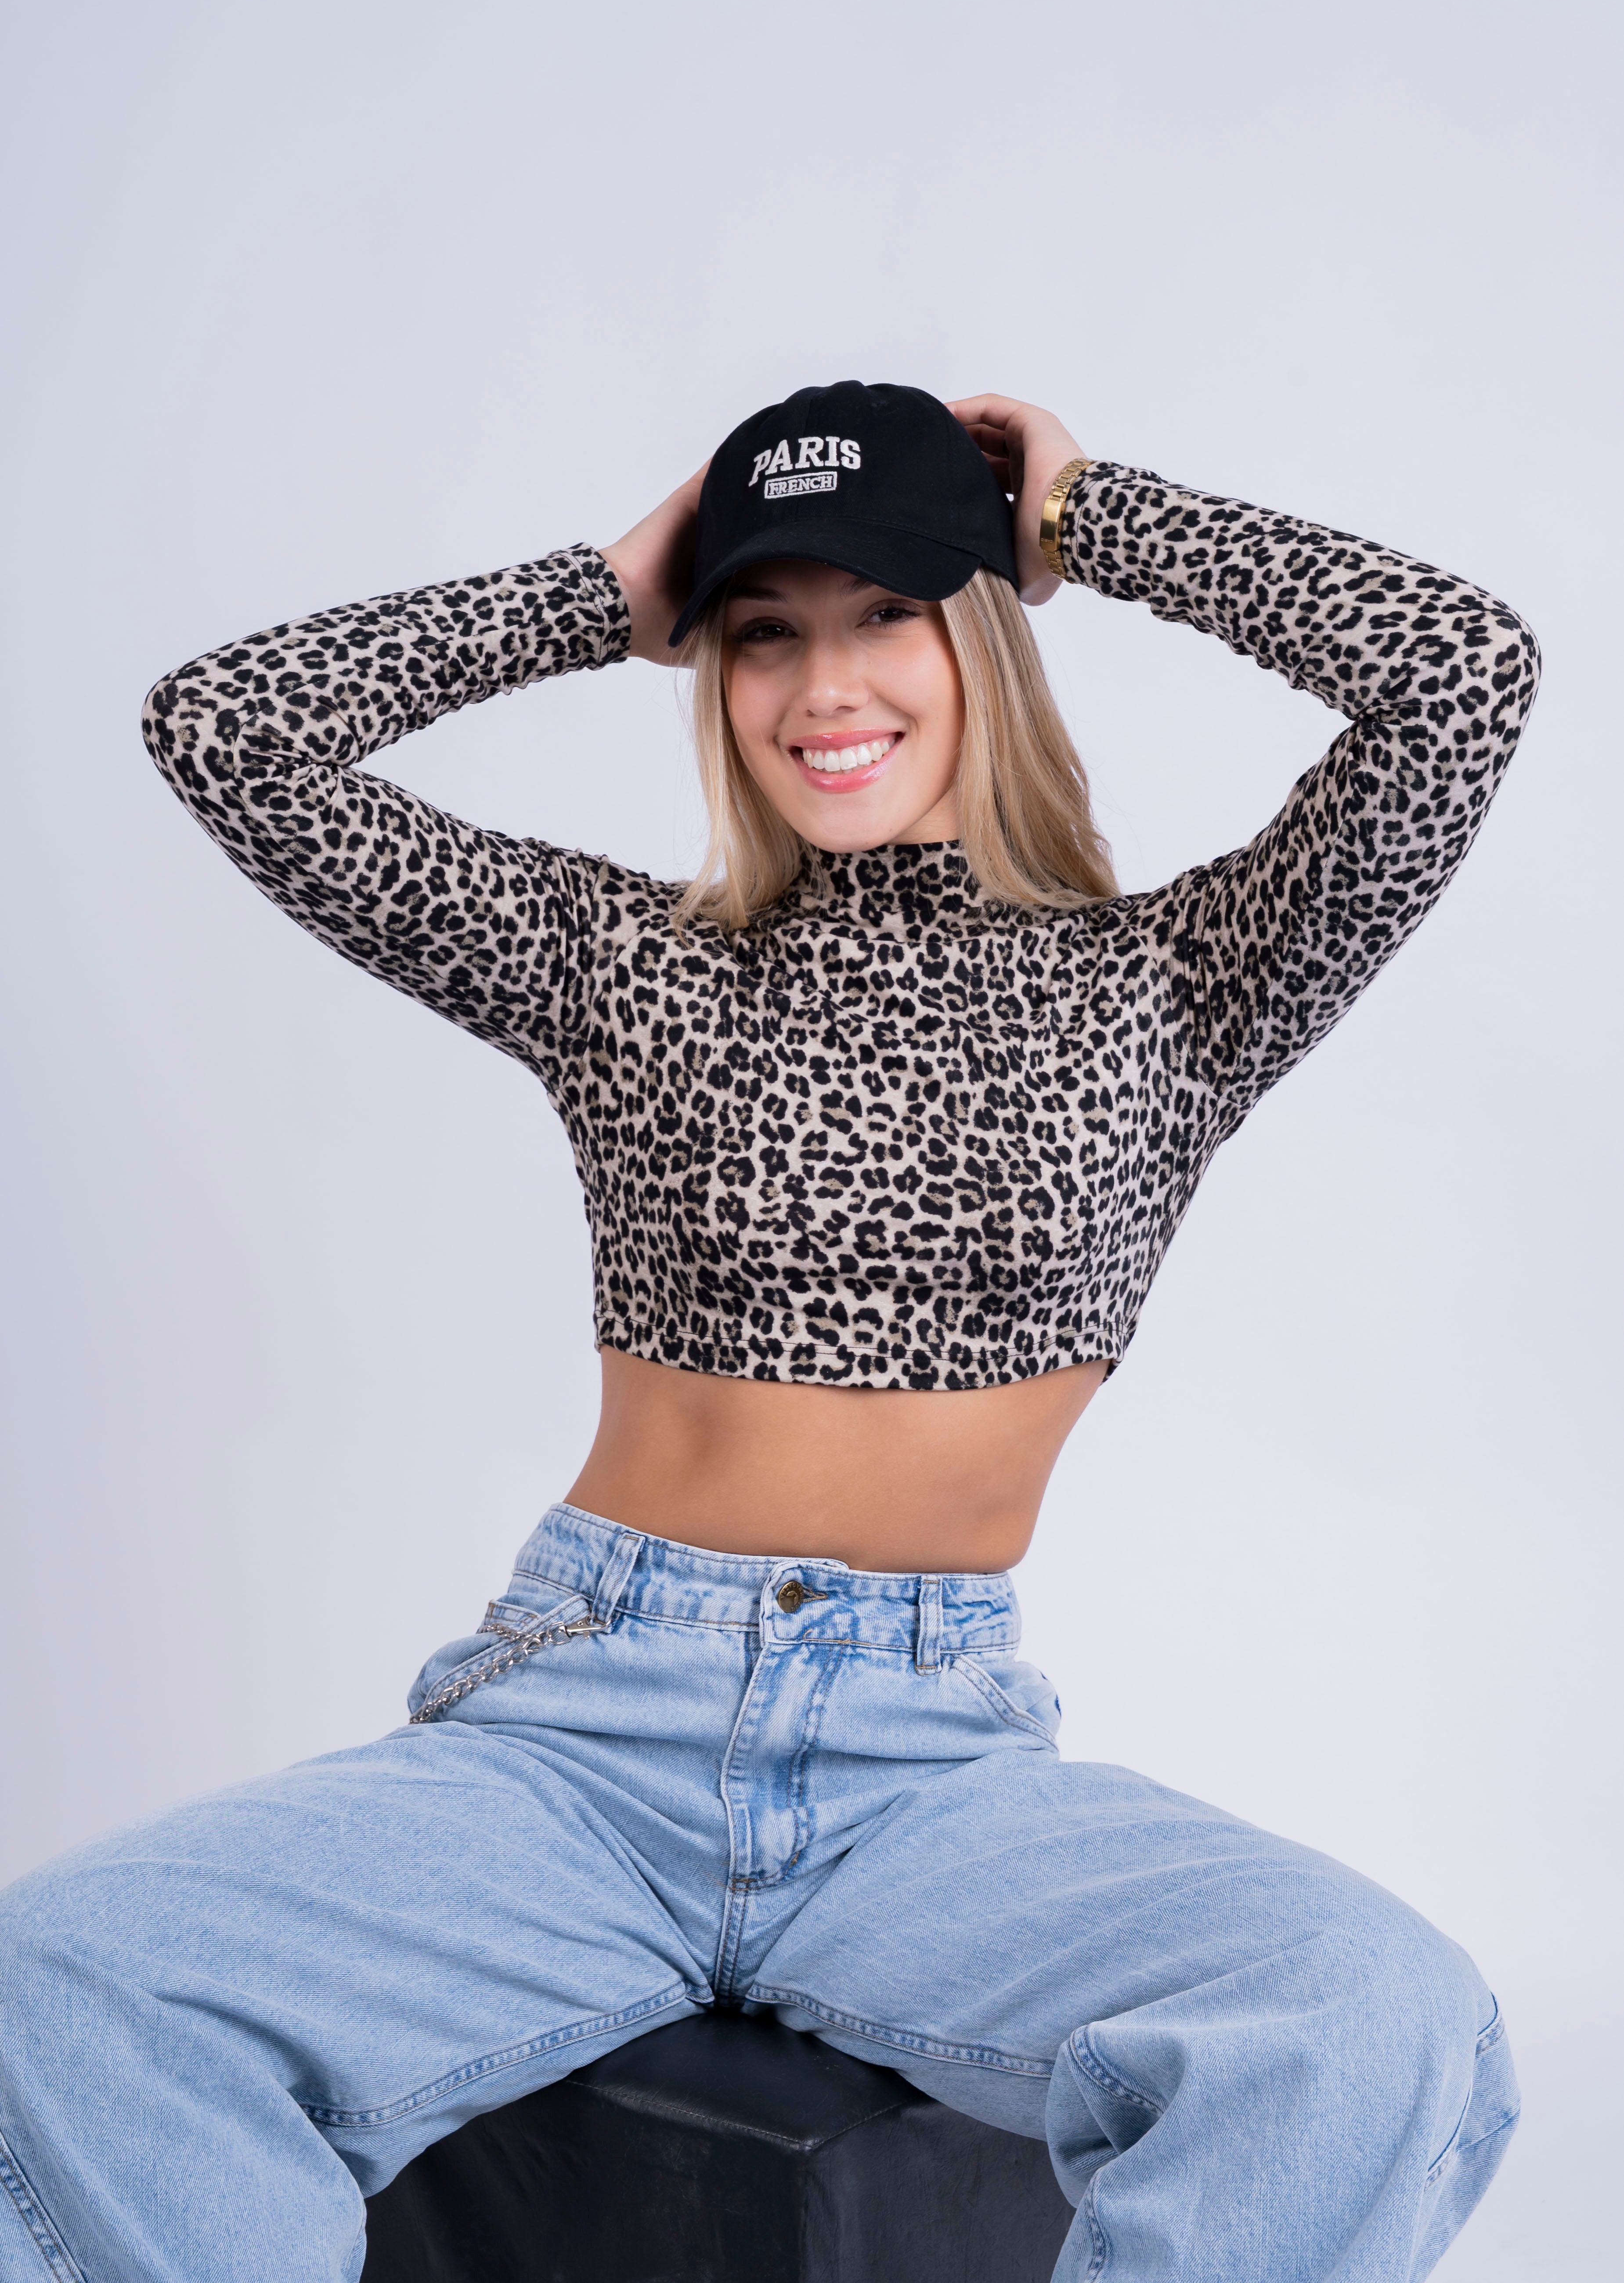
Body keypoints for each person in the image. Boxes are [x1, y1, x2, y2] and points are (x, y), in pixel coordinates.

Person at [0, 384, 1538, 2283]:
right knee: (70, 1976)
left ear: (985, 631)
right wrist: (602, 592)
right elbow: (228, 729)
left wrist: (1093, 514)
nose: (825, 685)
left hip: (924, 1770)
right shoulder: (616, 960)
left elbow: (1460, 673)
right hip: (581, 1736)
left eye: (886, 611)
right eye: (761, 630)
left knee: (1374, 2016)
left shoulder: (1178, 986)